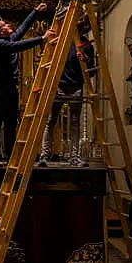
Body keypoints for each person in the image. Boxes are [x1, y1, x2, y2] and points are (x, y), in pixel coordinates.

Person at [0, 4, 56, 167]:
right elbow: (18, 46)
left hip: (11, 88)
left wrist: (35, 12)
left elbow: (22, 29)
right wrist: (41, 39)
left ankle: (11, 155)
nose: (9, 26)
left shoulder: (8, 39)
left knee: (11, 123)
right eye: (4, 26)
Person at [38, 15, 95, 167]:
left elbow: (92, 71)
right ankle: (44, 155)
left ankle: (74, 156)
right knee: (51, 121)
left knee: (75, 122)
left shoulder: (87, 45)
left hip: (76, 86)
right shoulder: (62, 40)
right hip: (58, 85)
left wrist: (85, 59)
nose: (85, 27)